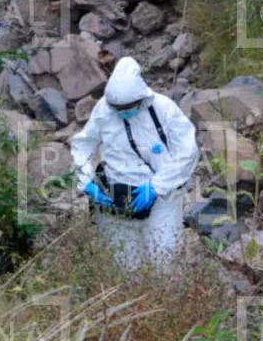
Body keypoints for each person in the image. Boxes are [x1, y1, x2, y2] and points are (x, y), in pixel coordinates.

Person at [70, 57, 199, 273]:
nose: (122, 111)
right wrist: (87, 182)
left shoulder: (163, 109)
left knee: (164, 262)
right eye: (117, 107)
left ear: (141, 98)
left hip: (163, 197)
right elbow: (82, 145)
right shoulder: (104, 110)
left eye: (128, 107)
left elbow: (187, 151)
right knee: (121, 267)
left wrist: (156, 187)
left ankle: (164, 303)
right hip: (115, 198)